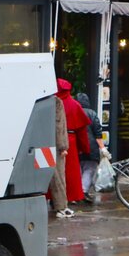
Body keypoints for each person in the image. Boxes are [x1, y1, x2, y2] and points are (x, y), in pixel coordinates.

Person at [57, 79, 90, 207]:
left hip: (53, 139)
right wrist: (85, 148)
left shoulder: (52, 103)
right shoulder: (75, 105)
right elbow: (82, 131)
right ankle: (71, 197)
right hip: (70, 140)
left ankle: (53, 197)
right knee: (71, 172)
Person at [48, 84, 70, 218]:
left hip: (41, 141)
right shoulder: (57, 102)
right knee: (58, 176)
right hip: (55, 144)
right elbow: (59, 126)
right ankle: (61, 206)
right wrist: (63, 146)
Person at [75, 92, 102, 200]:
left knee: (78, 169)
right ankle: (83, 191)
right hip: (91, 147)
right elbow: (98, 133)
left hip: (76, 146)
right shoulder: (92, 113)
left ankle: (77, 192)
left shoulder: (75, 112)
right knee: (90, 169)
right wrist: (103, 148)